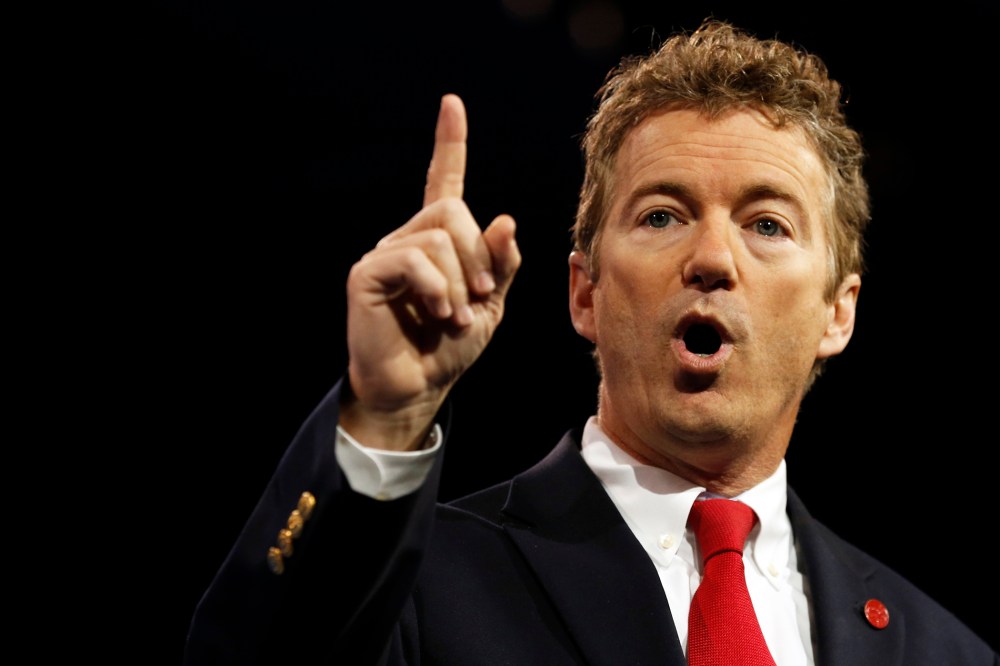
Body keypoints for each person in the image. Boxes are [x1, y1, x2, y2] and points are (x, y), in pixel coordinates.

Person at [183, 19, 997, 665]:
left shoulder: (940, 650)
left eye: (767, 224)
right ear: (585, 292)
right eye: (662, 216)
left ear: (838, 313)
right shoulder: (422, 584)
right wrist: (387, 415)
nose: (711, 259)